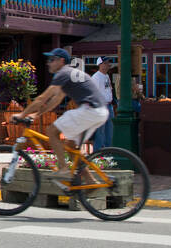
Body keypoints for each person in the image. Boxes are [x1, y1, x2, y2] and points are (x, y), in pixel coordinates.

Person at [17, 49, 110, 187]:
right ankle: (91, 181)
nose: (48, 63)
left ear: (61, 61)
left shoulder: (63, 73)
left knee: (51, 131)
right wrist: (36, 115)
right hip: (100, 111)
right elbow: (56, 100)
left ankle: (63, 169)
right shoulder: (70, 74)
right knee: (71, 148)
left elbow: (42, 98)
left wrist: (21, 115)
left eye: (51, 59)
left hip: (89, 109)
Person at [89, 59, 114, 151]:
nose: (108, 65)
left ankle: (108, 153)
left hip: (109, 105)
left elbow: (108, 90)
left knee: (109, 131)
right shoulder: (96, 77)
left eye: (108, 63)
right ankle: (98, 154)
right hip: (100, 106)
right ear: (100, 64)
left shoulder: (106, 76)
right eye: (105, 63)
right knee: (100, 132)